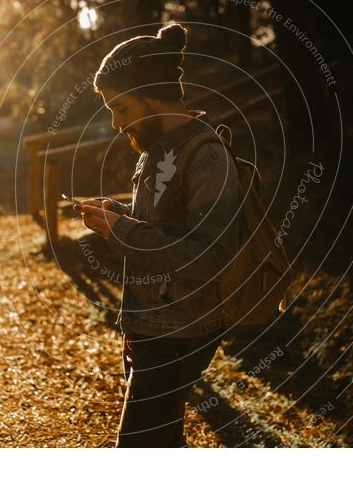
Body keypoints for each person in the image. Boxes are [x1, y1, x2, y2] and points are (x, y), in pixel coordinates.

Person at [76, 23, 241, 447]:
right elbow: (166, 224)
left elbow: (208, 256)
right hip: (152, 324)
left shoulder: (206, 156)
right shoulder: (157, 149)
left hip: (181, 332)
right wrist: (116, 213)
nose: (115, 124)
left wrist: (120, 229)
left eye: (121, 108)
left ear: (150, 96)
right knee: (162, 442)